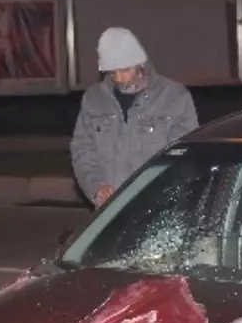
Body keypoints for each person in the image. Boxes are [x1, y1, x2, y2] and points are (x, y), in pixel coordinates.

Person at [70, 27, 199, 208]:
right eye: (112, 72)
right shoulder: (94, 99)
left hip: (156, 208)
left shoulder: (174, 97)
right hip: (109, 211)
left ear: (139, 63)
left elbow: (183, 155)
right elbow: (83, 151)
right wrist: (96, 187)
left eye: (124, 70)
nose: (119, 78)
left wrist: (158, 193)